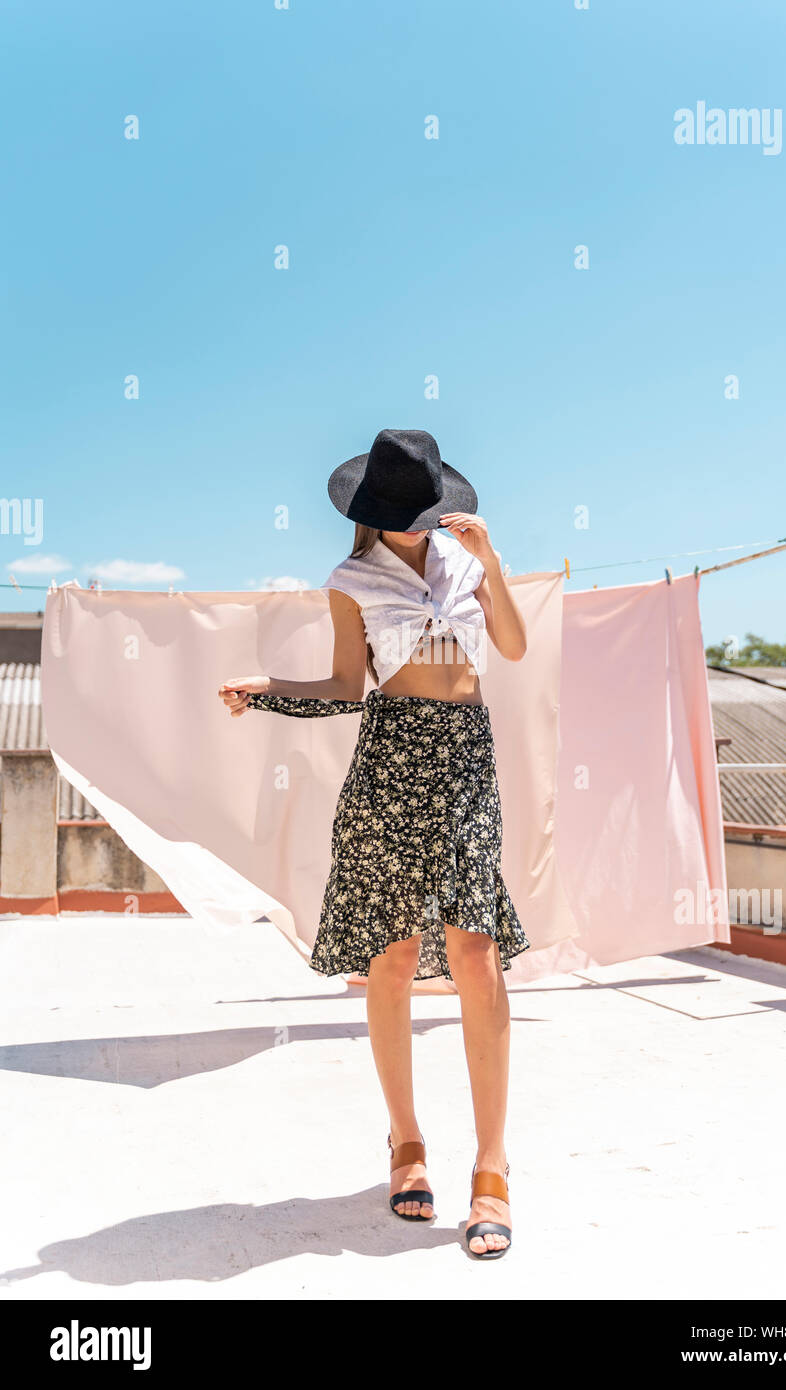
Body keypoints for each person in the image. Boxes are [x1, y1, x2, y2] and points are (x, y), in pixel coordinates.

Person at [218, 428, 529, 1259]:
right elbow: (347, 688)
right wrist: (269, 690)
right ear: (374, 514)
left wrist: (492, 560)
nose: (424, 524)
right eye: (408, 514)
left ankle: (492, 1168)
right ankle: (407, 1145)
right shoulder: (350, 581)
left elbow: (511, 646)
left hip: (465, 757)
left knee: (476, 955)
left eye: (433, 510)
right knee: (390, 958)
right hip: (390, 759)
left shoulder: (466, 559)